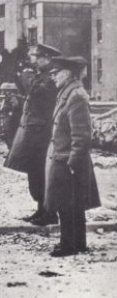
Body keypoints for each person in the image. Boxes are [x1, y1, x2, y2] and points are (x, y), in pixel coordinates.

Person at [45, 56, 101, 257]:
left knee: (68, 205)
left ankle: (69, 245)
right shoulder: (67, 93)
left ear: (66, 74)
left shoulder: (75, 96)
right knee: (69, 204)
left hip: (68, 160)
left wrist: (72, 162)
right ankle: (77, 244)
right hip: (64, 157)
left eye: (55, 73)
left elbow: (82, 135)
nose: (53, 77)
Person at [4, 43, 60, 226]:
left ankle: (49, 212)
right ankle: (40, 209)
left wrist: (26, 77)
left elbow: (39, 93)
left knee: (42, 172)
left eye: (35, 55)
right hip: (33, 131)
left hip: (42, 132)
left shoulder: (52, 77)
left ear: (47, 58)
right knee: (33, 172)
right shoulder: (39, 75)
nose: (32, 58)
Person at [0, 82, 23, 150]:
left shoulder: (12, 97)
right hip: (7, 120)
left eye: (3, 90)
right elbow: (1, 109)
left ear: (7, 91)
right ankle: (10, 151)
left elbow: (15, 106)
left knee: (10, 136)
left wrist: (9, 111)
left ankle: (11, 151)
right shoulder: (6, 98)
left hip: (11, 121)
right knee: (7, 136)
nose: (2, 92)